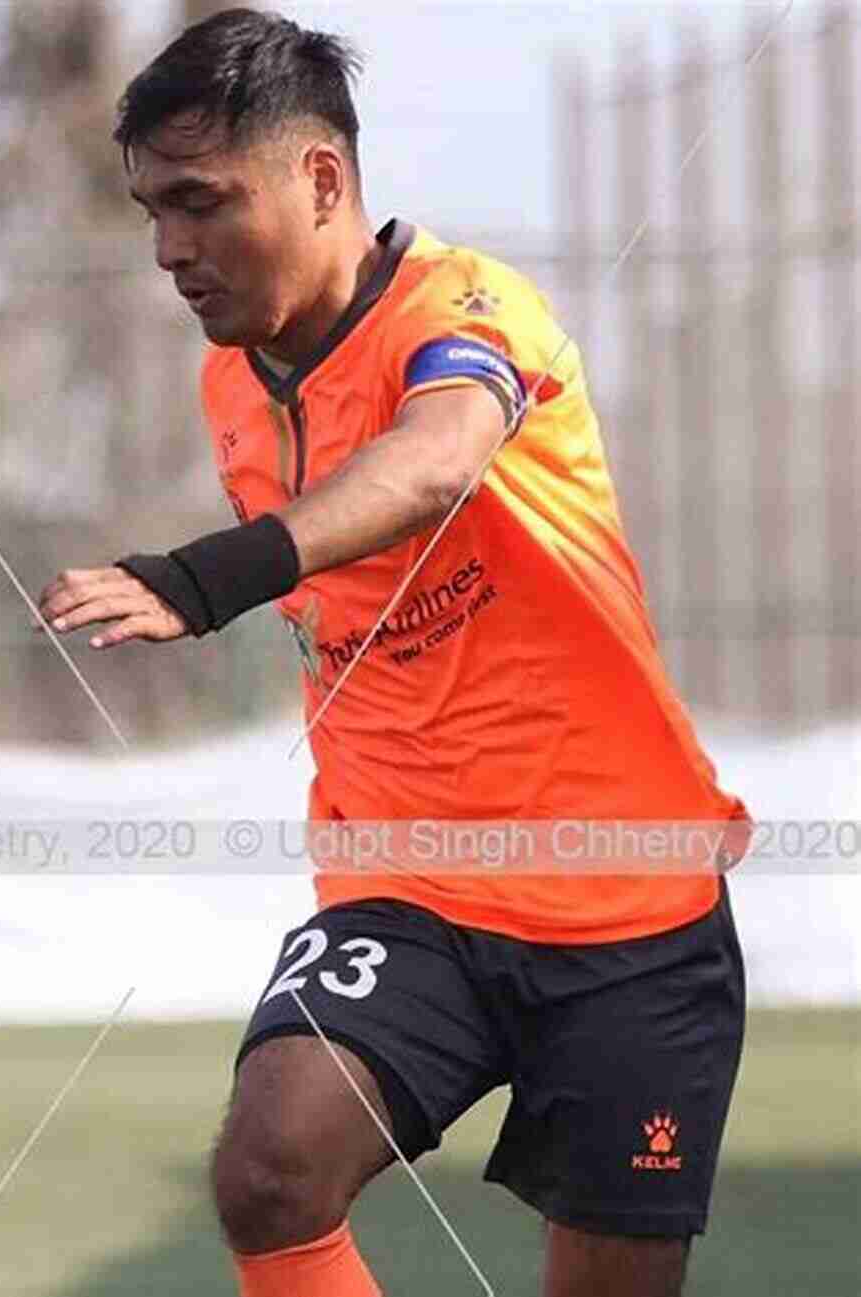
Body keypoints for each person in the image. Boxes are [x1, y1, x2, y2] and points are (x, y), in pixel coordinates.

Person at [37, 10, 749, 1296]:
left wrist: (203, 582)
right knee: (269, 1168)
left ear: (320, 179)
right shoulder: (232, 381)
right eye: (152, 210)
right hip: (403, 889)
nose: (168, 249)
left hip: (621, 894)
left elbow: (430, 463)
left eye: (200, 202)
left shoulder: (470, 308)